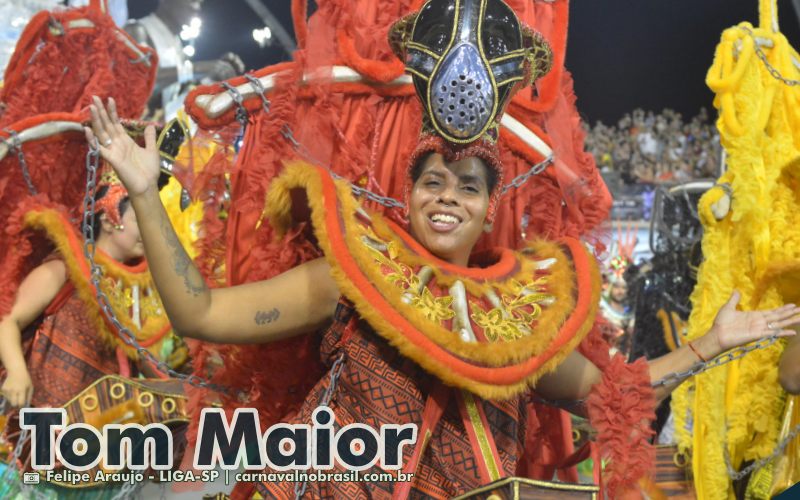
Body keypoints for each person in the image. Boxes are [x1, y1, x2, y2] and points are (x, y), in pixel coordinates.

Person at [87, 3, 800, 498]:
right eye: (433, 180)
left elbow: (612, 394)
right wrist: (147, 194)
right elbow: (201, 314)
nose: (448, 196)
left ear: (491, 206)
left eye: (467, 184)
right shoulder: (349, 275)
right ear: (408, 192)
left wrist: (711, 343)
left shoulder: (520, 313)